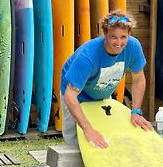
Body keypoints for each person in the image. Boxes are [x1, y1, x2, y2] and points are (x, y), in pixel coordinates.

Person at [60, 9, 153, 149]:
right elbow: (69, 96)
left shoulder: (133, 47)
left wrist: (136, 111)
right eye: (113, 37)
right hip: (76, 94)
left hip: (101, 90)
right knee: (77, 141)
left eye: (123, 37)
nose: (118, 42)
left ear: (129, 34)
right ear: (105, 34)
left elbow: (138, 78)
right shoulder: (88, 56)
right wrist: (87, 129)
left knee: (105, 135)